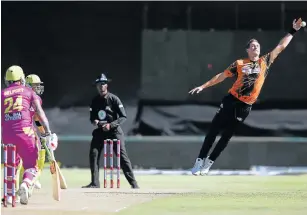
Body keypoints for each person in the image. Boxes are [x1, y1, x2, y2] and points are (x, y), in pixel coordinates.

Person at [189, 18, 304, 176]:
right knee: (213, 131)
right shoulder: (239, 63)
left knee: (227, 135)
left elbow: (281, 46)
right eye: (252, 45)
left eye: (257, 45)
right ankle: (199, 160)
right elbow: (221, 76)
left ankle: (209, 162)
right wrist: (203, 86)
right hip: (231, 100)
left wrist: (293, 30)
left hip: (245, 106)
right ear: (248, 50)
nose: (256, 47)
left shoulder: (265, 62)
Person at [1, 65, 53, 205]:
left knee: (12, 165)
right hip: (25, 133)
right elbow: (39, 114)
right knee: (31, 165)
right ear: (22, 78)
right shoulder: (28, 92)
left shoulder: (2, 93)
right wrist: (48, 132)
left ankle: (10, 195)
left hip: (6, 135)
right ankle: (26, 183)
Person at [82, 73, 139, 189]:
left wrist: (111, 125)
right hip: (100, 131)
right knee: (93, 153)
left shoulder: (114, 99)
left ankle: (134, 184)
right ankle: (95, 183)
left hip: (114, 131)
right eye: (99, 85)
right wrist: (95, 122)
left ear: (106, 85)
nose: (101, 87)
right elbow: (92, 118)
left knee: (122, 157)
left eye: (103, 84)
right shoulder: (95, 101)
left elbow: (123, 117)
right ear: (97, 86)